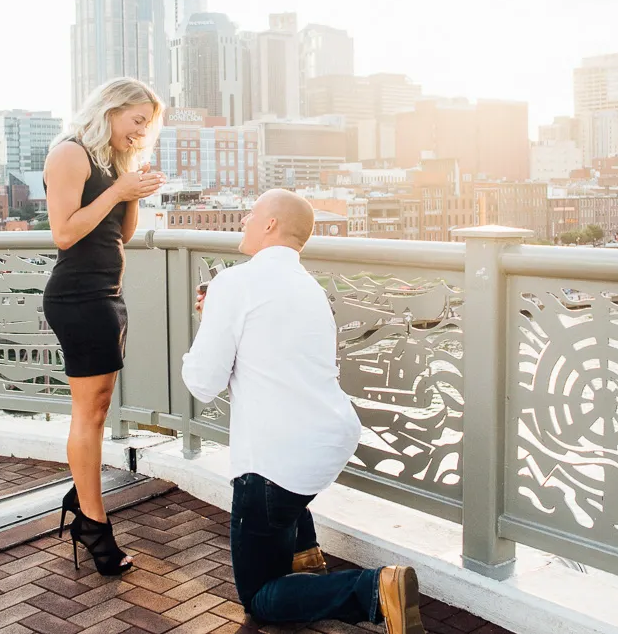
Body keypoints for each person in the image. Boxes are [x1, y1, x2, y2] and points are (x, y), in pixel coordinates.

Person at [182, 189, 425, 634]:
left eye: (250, 215)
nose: (243, 222)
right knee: (288, 496)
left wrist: (209, 323)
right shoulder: (308, 287)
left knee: (260, 597)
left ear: (270, 224)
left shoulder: (234, 283)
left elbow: (203, 381)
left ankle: (374, 591)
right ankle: (304, 554)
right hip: (329, 438)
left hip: (275, 461)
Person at [43, 77, 165, 575]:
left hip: (107, 296)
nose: (140, 132)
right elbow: (65, 232)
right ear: (111, 109)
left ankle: (83, 494)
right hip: (77, 296)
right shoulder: (70, 154)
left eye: (148, 126)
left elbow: (125, 233)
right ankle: (92, 523)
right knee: (89, 413)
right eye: (137, 120)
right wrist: (118, 187)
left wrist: (130, 187)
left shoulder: (114, 162)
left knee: (97, 407)